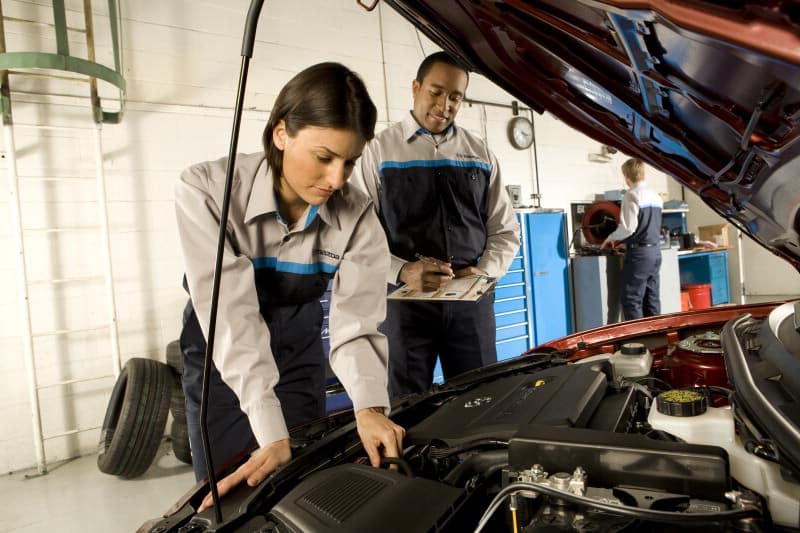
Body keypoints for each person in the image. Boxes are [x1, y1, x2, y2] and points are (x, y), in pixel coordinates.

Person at [175, 62, 405, 511]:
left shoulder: (357, 214)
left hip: (299, 344)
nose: (337, 180)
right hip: (220, 349)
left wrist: (369, 407)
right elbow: (231, 317)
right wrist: (269, 429)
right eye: (324, 157)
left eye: (350, 162)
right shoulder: (206, 190)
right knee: (230, 494)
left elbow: (356, 324)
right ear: (281, 133)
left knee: (301, 485)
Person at [353, 51, 520, 397]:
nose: (445, 105)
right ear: (416, 88)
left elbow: (505, 230)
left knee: (481, 399)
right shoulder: (378, 152)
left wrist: (484, 271)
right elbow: (358, 236)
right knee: (407, 405)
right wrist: (402, 271)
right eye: (436, 92)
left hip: (471, 301)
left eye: (455, 97)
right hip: (404, 305)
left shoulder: (480, 153)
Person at [601, 157, 664, 320]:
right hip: (655, 252)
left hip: (639, 256)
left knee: (631, 299)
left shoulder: (631, 195)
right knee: (651, 300)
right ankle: (657, 333)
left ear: (626, 176)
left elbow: (628, 228)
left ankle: (637, 337)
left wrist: (610, 239)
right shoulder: (656, 196)